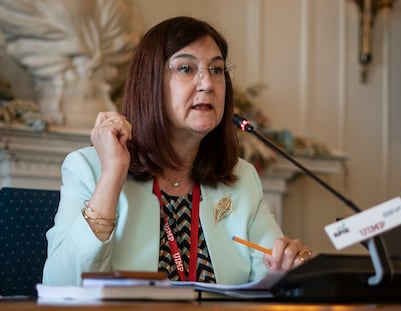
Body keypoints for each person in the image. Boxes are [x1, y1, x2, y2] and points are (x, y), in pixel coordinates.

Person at [43, 16, 312, 286]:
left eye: (216, 70)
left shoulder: (242, 179)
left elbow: (270, 273)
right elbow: (61, 284)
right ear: (150, 83)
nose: (207, 83)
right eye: (186, 68)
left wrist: (285, 267)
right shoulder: (89, 168)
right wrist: (112, 174)